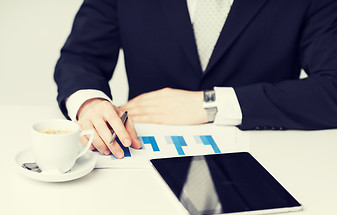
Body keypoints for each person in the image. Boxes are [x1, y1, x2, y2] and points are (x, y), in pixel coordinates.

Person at [54, 0, 337, 159]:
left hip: (264, 157)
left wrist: (211, 104)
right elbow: (81, 56)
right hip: (142, 153)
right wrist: (89, 101)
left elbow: (332, 87)